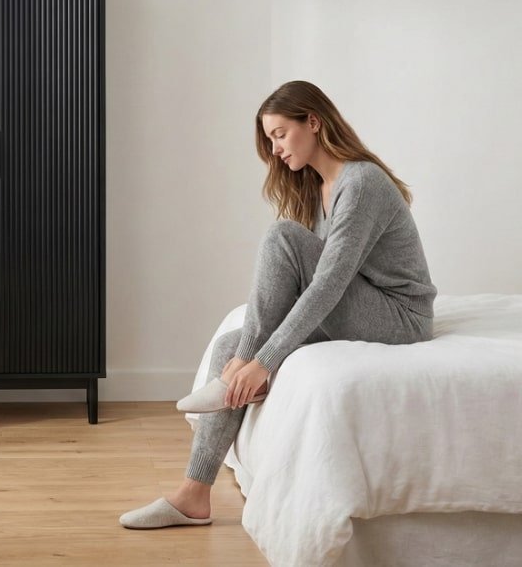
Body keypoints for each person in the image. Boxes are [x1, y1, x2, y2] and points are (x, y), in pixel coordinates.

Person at [119, 80, 438, 529]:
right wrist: (255, 351)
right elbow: (310, 287)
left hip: (401, 317)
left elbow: (328, 285)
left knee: (280, 238)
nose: (274, 150)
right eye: (269, 140)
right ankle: (194, 493)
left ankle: (245, 364)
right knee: (231, 341)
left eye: (279, 135)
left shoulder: (361, 182)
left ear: (313, 122)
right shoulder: (319, 186)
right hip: (366, 302)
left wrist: (263, 360)